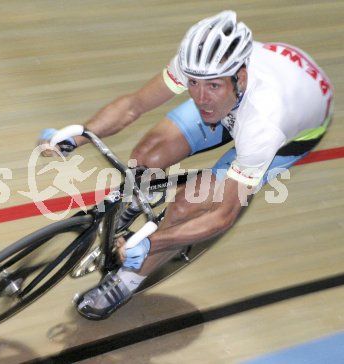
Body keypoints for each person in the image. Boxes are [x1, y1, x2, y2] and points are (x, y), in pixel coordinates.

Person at [38, 10, 333, 320]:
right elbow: (133, 106)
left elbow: (223, 216)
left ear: (240, 77)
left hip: (288, 131)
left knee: (186, 209)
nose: (201, 97)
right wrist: (79, 136)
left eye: (213, 87)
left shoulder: (264, 125)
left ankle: (127, 282)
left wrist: (155, 240)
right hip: (260, 89)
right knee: (147, 155)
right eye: (193, 84)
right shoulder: (203, 67)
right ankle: (138, 200)